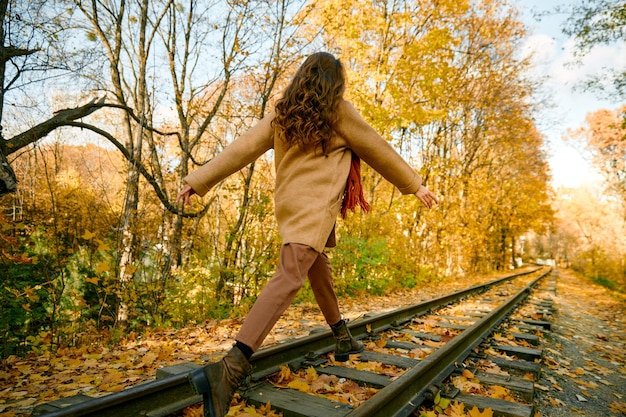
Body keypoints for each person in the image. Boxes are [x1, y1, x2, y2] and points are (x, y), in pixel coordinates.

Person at [176, 51, 438, 417]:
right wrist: (414, 185)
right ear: (336, 85)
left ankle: (341, 335)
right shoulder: (339, 112)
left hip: (291, 206)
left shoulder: (282, 114)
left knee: (317, 267)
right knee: (289, 276)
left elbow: (240, 149)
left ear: (301, 79)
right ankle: (228, 370)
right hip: (314, 209)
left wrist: (198, 179)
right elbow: (378, 148)